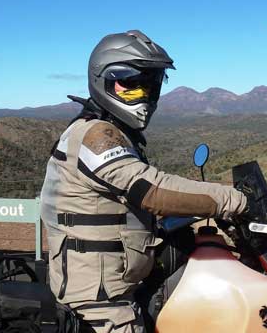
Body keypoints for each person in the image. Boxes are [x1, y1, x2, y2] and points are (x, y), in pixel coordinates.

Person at [40, 30, 248, 333]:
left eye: (151, 85)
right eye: (132, 85)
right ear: (103, 81)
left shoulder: (109, 129)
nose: (144, 95)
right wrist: (232, 200)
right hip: (100, 303)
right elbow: (151, 189)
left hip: (113, 283)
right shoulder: (95, 134)